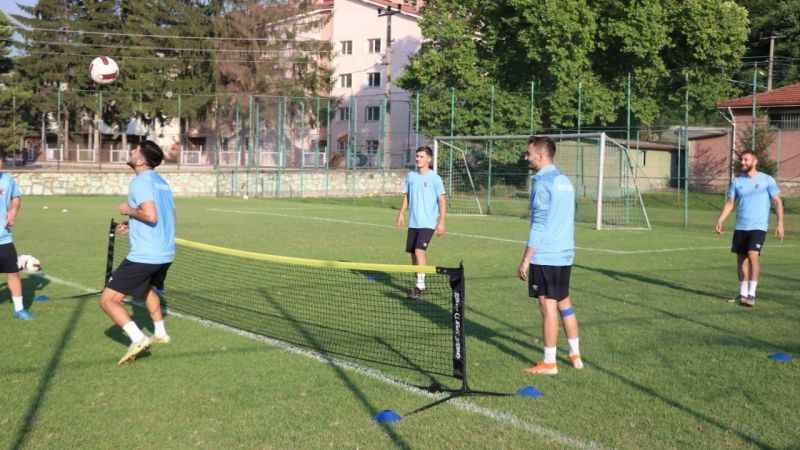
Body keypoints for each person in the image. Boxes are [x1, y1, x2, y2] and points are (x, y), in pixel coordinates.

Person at [100, 140, 176, 365]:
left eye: (135, 150)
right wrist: (132, 222)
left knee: (107, 301)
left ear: (141, 160)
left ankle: (138, 338)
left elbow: (151, 216)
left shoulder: (140, 182)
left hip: (146, 254)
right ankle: (160, 332)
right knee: (144, 290)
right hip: (165, 251)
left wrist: (128, 210)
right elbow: (162, 214)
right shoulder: (161, 182)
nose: (131, 152)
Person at [518, 136, 582, 375]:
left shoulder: (542, 181)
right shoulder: (565, 180)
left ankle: (549, 362)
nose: (526, 157)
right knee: (564, 301)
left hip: (546, 254)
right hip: (565, 252)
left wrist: (526, 258)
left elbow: (540, 223)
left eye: (529, 153)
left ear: (541, 155)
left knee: (547, 306)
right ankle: (575, 354)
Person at [715, 150, 784, 308]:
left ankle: (752, 294)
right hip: (741, 227)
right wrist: (721, 219)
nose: (743, 162)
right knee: (741, 260)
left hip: (758, 226)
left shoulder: (767, 180)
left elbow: (778, 202)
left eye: (746, 160)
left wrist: (780, 223)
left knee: (753, 255)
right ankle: (743, 293)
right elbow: (730, 203)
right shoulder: (737, 181)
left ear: (755, 161)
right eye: (742, 160)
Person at [395, 146, 446, 299]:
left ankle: (420, 285)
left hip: (428, 223)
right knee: (412, 254)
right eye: (417, 156)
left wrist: (441, 222)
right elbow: (407, 196)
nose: (418, 159)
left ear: (429, 159)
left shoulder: (435, 178)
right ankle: (419, 281)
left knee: (419, 251)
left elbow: (442, 200)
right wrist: (401, 214)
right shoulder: (411, 176)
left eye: (421, 156)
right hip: (413, 223)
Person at [0, 171, 29, 320]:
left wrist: (13, 210)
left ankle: (19, 309)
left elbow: (16, 198)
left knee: (13, 273)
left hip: (4, 238)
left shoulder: (7, 180)